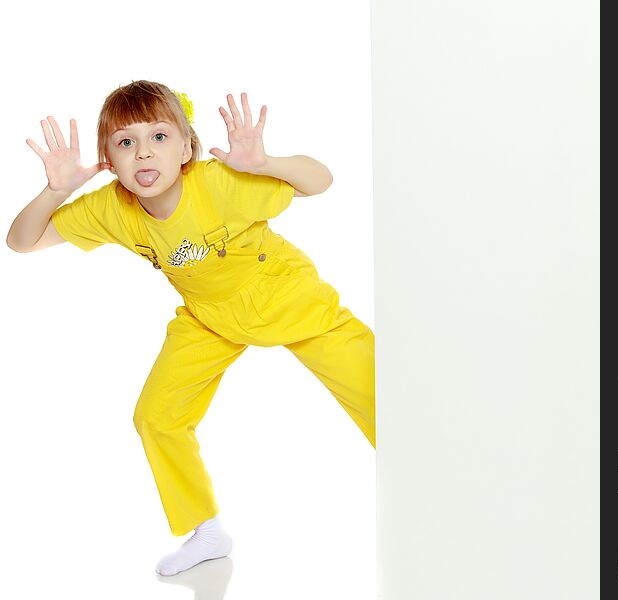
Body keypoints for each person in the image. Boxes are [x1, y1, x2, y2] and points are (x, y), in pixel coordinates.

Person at [6, 80, 375, 577]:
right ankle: (206, 531)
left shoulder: (221, 183)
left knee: (375, 389)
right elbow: (22, 242)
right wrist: (57, 190)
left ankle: (434, 479)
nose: (143, 153)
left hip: (283, 295)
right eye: (125, 142)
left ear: (186, 147)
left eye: (159, 137)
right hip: (208, 316)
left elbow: (321, 181)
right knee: (157, 416)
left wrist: (266, 165)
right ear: (109, 161)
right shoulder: (113, 207)